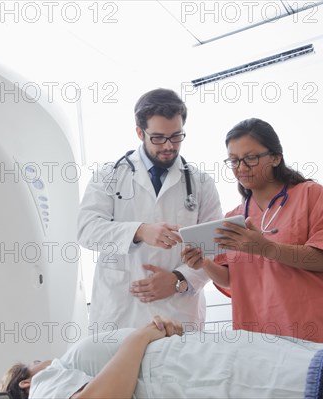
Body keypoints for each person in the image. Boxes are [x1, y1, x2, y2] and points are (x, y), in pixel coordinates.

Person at [181, 117, 323, 343]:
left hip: (322, 326)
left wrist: (266, 248)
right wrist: (205, 264)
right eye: (233, 161)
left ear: (275, 158)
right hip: (264, 333)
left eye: (250, 158)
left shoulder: (310, 195)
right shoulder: (233, 218)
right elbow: (232, 279)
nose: (241, 167)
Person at [77, 88, 222, 331]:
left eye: (176, 136)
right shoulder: (108, 176)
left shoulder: (201, 182)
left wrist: (179, 280)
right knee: (121, 369)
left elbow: (214, 246)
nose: (168, 146)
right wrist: (140, 231)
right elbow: (86, 230)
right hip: (121, 310)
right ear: (139, 132)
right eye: (158, 137)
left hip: (178, 310)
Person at [0, 316, 323, 399]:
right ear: (27, 380)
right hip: (252, 374)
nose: (43, 359)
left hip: (255, 359)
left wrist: (164, 334)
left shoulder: (72, 364)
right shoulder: (45, 384)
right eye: (34, 361)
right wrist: (143, 336)